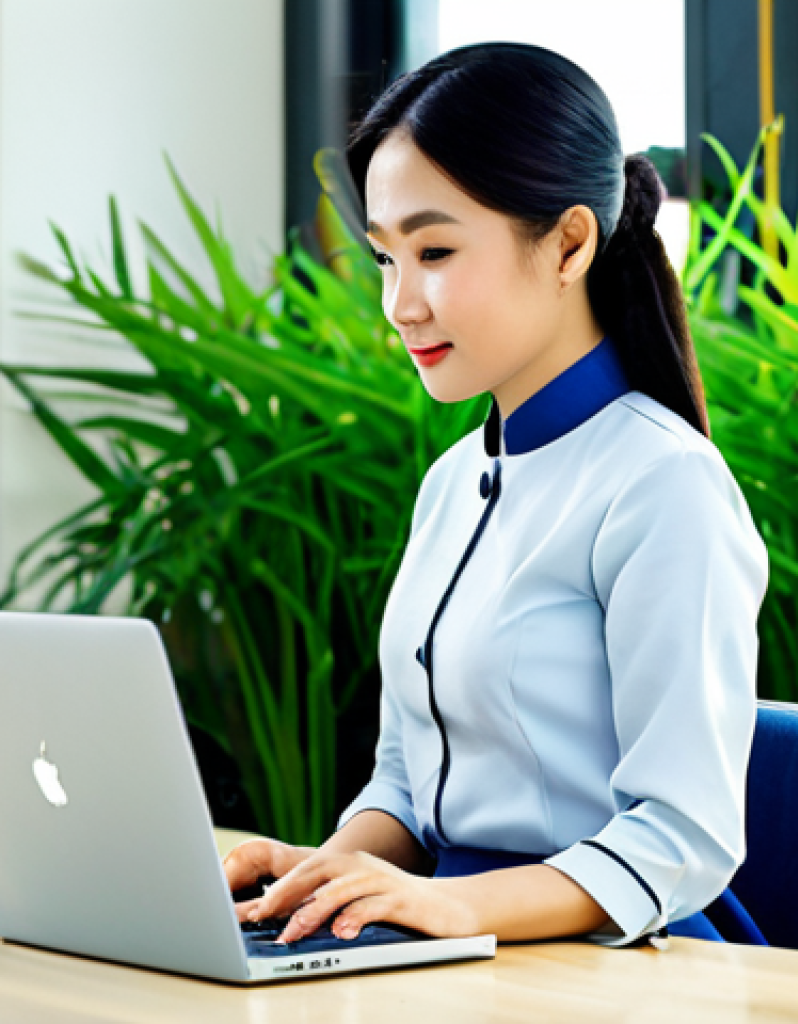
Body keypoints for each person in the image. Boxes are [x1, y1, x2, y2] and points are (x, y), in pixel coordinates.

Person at [223, 40, 770, 949]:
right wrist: (322, 878)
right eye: (385, 260)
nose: (401, 304)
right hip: (446, 945)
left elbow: (683, 835)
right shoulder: (448, 486)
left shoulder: (664, 486)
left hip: (612, 963)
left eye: (434, 250)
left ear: (568, 244)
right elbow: (407, 779)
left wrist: (460, 907)